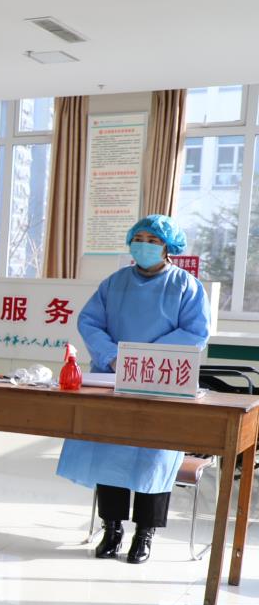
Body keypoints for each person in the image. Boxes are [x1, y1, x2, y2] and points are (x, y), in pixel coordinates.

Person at [57, 214, 209, 565]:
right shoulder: (115, 283)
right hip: (113, 380)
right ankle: (112, 529)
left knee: (155, 457)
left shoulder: (185, 286)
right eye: (138, 239)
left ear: (168, 247)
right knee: (110, 453)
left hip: (161, 383)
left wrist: (145, 359)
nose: (144, 245)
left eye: (153, 240)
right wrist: (113, 357)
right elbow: (90, 321)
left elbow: (196, 331)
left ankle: (145, 533)